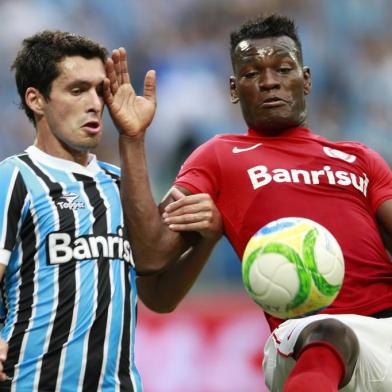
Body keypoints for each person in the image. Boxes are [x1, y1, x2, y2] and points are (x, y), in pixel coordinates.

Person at [117, 13, 392, 392]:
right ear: (234, 88)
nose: (268, 82)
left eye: (283, 68)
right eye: (250, 74)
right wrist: (132, 141)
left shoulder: (359, 158)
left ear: (306, 79)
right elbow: (152, 273)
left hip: (386, 334)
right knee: (328, 333)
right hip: (305, 339)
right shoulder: (218, 157)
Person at [0, 30, 172, 391]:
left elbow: (157, 278)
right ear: (36, 99)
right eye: (77, 90)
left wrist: (205, 235)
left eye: (99, 90)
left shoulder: (123, 183)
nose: (95, 103)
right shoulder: (15, 177)